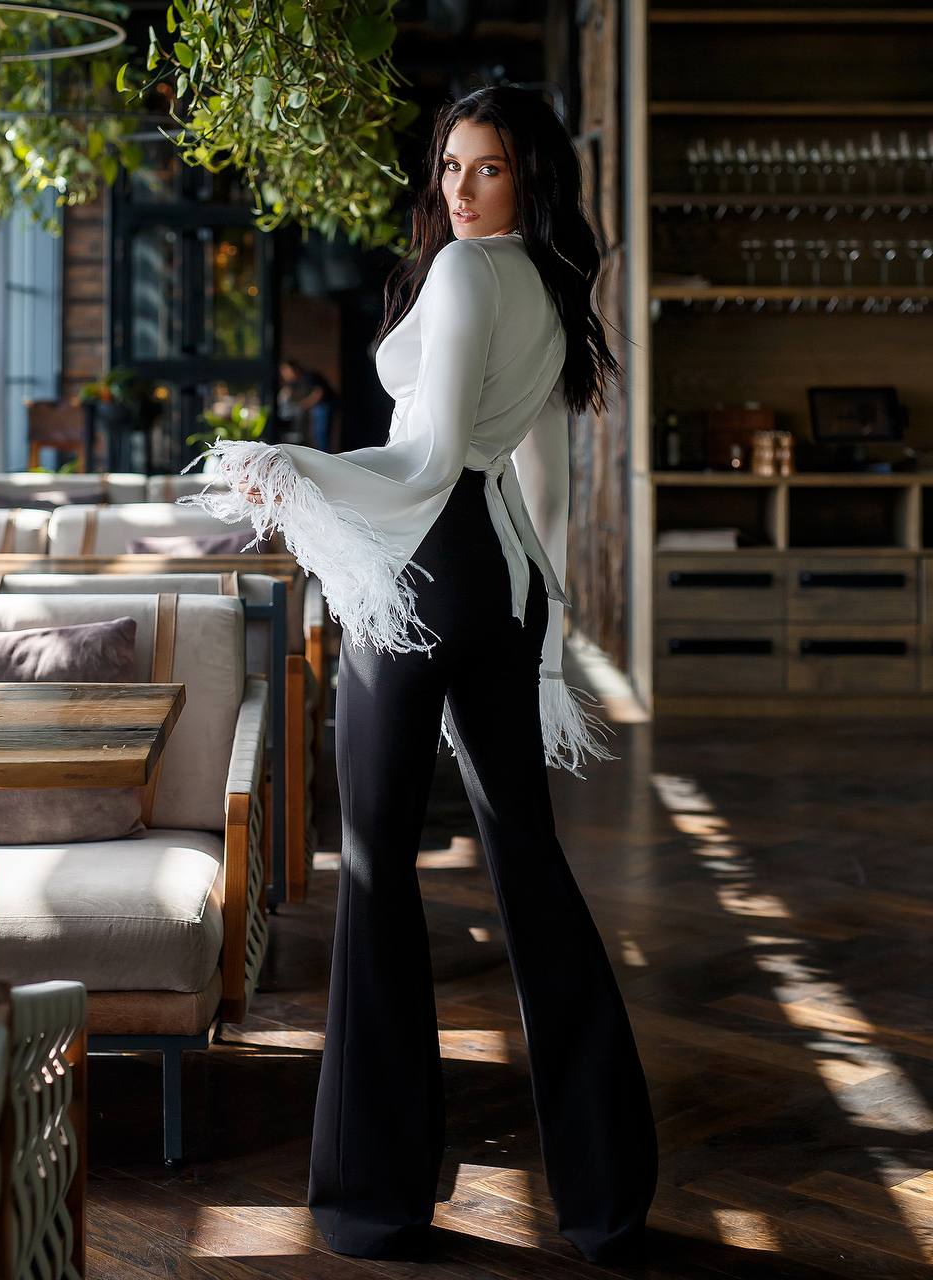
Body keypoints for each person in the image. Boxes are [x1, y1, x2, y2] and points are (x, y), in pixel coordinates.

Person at [181, 84, 658, 1266]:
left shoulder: (463, 276)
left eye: (485, 168)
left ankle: (375, 1201)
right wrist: (538, 620)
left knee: (379, 868)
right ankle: (607, 1195)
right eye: (450, 166)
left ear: (528, 178)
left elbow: (426, 460)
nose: (457, 188)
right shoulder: (548, 285)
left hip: (426, 575)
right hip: (501, 579)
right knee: (529, 862)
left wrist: (287, 461)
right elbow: (525, 475)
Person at [277, 358, 340, 450]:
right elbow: (287, 392)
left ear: (294, 369)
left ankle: (325, 457)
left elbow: (318, 393)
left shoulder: (309, 376)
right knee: (316, 434)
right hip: (316, 408)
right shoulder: (295, 381)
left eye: (286, 371)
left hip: (324, 406)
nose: (284, 374)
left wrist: (303, 405)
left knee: (320, 434)